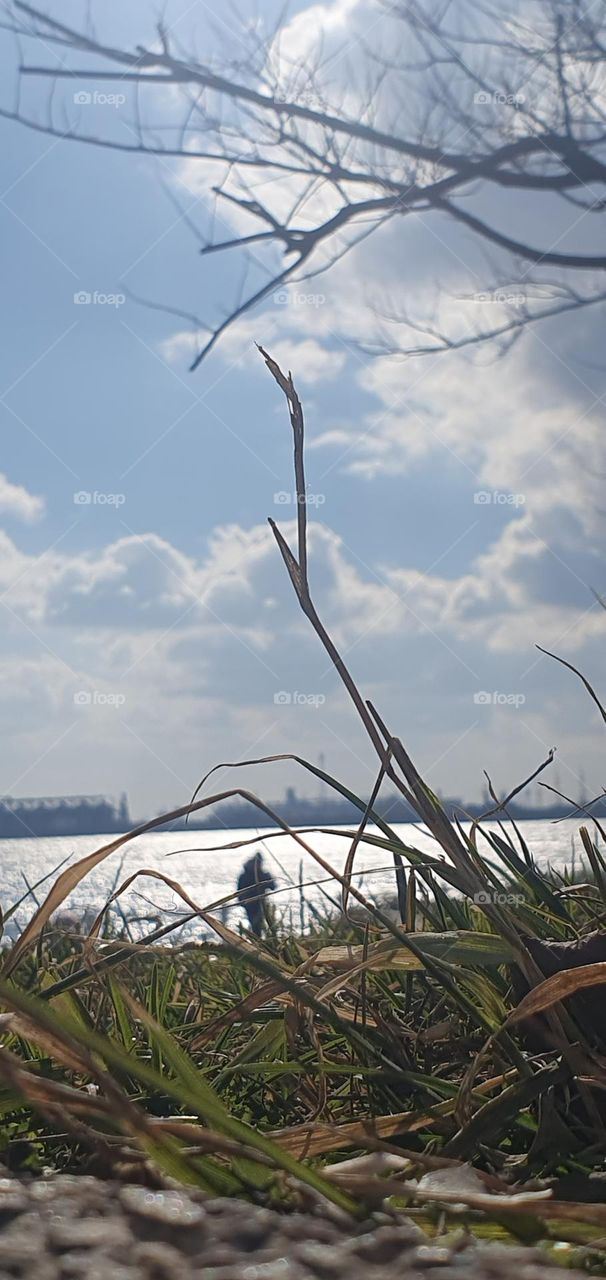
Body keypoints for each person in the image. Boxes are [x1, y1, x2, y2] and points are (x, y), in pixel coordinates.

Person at [237, 852, 276, 935]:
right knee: (256, 924)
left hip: (259, 903)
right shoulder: (248, 875)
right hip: (251, 904)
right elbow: (240, 890)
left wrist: (269, 878)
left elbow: (272, 886)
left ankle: (258, 940)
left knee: (259, 924)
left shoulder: (259, 874)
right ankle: (257, 940)